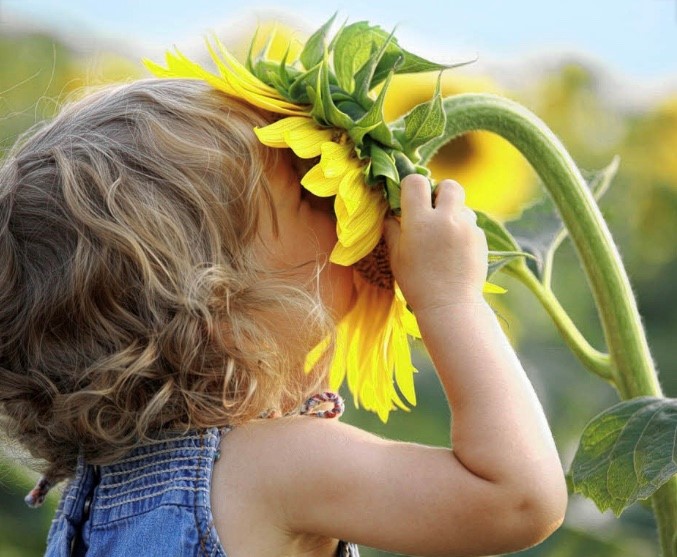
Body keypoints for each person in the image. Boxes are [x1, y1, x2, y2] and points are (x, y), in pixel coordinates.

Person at [0, 75, 567, 557]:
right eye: (314, 197)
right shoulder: (272, 466)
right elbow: (516, 498)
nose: (345, 209)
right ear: (221, 311)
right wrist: (450, 298)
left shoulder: (101, 489)